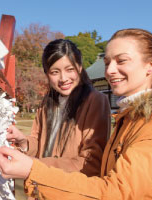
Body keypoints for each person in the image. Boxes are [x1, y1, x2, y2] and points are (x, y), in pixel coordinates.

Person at [0, 29, 152, 199]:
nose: (110, 71)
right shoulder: (129, 115)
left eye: (122, 61)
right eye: (107, 62)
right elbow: (39, 141)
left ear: (151, 65)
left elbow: (107, 182)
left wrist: (33, 169)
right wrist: (25, 143)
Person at [7, 39, 111, 177]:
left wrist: (35, 165)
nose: (63, 78)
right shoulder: (47, 102)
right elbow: (40, 144)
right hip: (41, 188)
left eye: (70, 70)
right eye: (55, 72)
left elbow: (91, 163)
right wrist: (23, 141)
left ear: (79, 68)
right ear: (47, 74)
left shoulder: (95, 100)